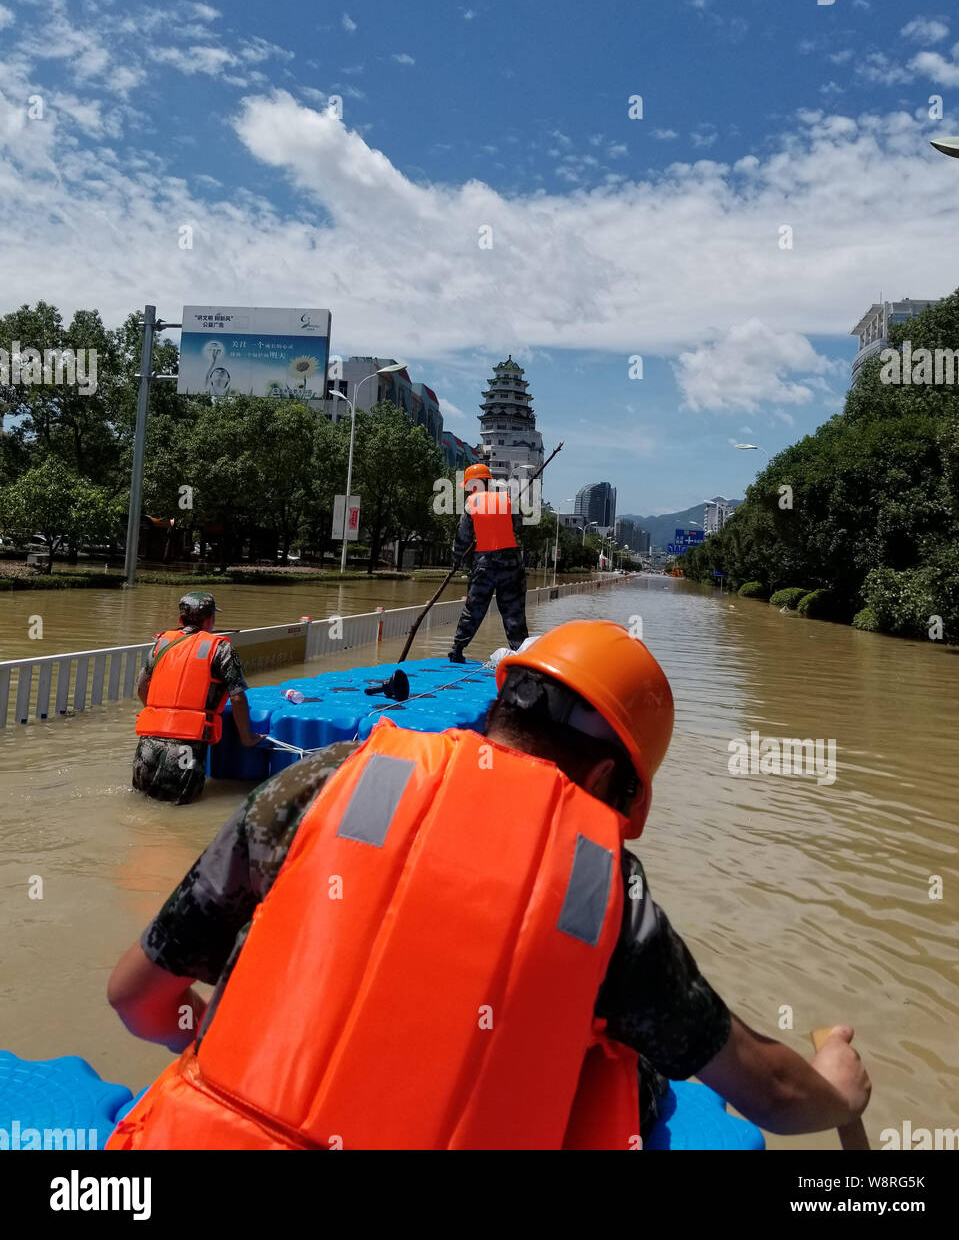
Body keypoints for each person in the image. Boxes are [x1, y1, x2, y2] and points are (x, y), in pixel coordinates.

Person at [106, 619, 870, 1150]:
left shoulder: (324, 782)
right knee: (619, 1065)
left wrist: (232, 1050)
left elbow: (136, 999)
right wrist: (838, 1086)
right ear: (610, 778)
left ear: (495, 709)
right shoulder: (598, 887)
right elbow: (769, 1093)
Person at [131, 591, 261, 806]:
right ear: (210, 619)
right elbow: (237, 698)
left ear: (181, 618)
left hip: (148, 741)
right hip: (186, 744)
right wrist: (247, 737)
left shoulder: (161, 644)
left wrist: (160, 714)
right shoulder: (220, 648)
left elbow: (141, 687)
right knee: (180, 808)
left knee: (141, 802)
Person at [448, 463, 528, 663]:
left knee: (474, 608)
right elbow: (519, 526)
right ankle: (523, 656)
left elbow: (462, 538)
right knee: (514, 613)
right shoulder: (508, 499)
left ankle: (457, 649)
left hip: (484, 564)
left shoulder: (471, 503)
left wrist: (457, 560)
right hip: (511, 563)